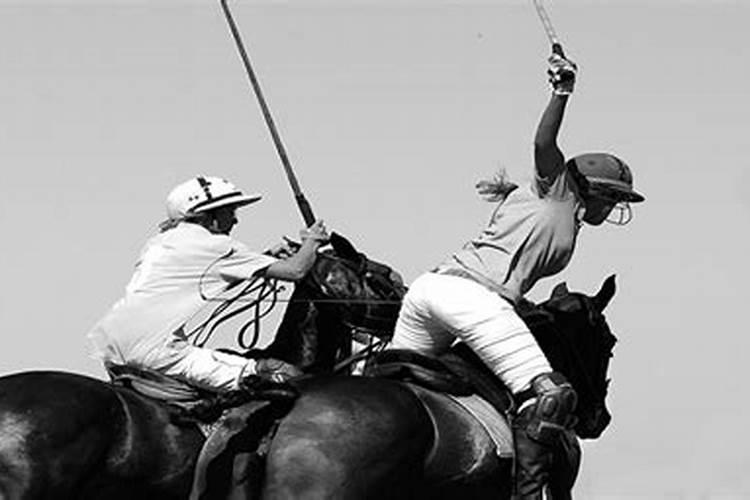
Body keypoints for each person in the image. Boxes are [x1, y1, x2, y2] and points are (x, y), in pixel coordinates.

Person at [388, 53, 644, 498]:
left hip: (429, 292)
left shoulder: (558, 211)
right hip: (468, 300)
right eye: (612, 198)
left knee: (390, 391)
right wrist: (561, 93)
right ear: (593, 191)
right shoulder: (556, 187)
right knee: (552, 397)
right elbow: (544, 143)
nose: (613, 208)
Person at [88, 175, 329, 394]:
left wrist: (267, 256)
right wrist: (312, 240)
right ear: (209, 216)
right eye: (229, 211)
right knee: (281, 377)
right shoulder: (217, 246)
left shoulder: (161, 242)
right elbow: (296, 270)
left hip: (112, 346)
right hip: (157, 351)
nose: (235, 219)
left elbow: (209, 275)